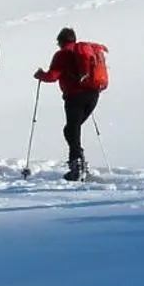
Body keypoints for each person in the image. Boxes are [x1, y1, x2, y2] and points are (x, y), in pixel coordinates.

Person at [33, 27, 100, 181]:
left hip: (74, 97)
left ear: (60, 41)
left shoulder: (62, 54)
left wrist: (40, 75)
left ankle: (77, 166)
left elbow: (52, 76)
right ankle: (79, 162)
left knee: (71, 129)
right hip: (93, 94)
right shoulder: (86, 52)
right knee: (72, 129)